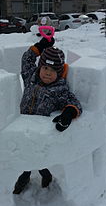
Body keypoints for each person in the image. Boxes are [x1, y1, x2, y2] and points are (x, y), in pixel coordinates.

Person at [13, 36, 82, 194]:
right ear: (40, 67)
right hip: (22, 125)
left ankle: (30, 176)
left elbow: (74, 103)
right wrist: (40, 46)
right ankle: (32, 174)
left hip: (39, 131)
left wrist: (68, 114)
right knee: (25, 153)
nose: (48, 73)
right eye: (45, 68)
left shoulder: (59, 89)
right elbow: (27, 58)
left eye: (53, 71)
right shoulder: (30, 76)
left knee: (35, 155)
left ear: (59, 72)